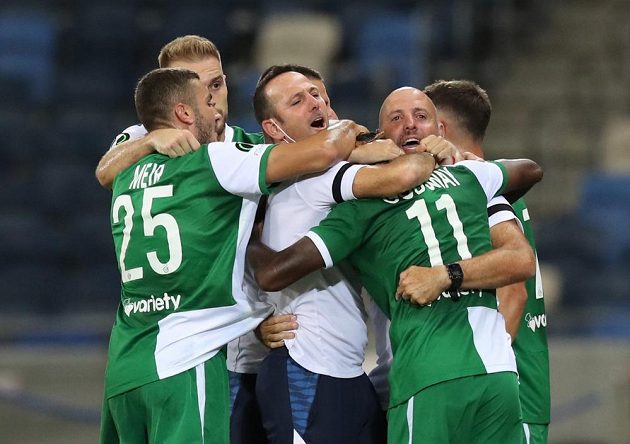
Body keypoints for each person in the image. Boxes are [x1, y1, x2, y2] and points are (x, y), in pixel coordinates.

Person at [247, 87, 544, 443]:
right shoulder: (472, 179)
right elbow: (530, 171)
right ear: (381, 136)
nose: (410, 126)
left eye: (420, 117)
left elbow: (274, 271)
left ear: (440, 130)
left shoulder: (360, 208)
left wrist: (245, 236)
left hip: (427, 376)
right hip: (498, 374)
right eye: (397, 119)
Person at [100, 67, 373, 444]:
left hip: (124, 368)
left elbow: (104, 170)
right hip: (184, 362)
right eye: (208, 101)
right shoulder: (215, 160)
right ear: (183, 113)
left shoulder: (125, 174)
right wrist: (345, 128)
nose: (219, 112)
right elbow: (325, 150)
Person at [248, 66, 460, 444]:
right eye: (298, 100)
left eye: (318, 94)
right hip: (305, 372)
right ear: (275, 131)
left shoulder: (322, 175)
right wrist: (433, 152)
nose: (316, 102)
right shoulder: (313, 179)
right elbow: (403, 175)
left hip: (346, 372)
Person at [424, 79, 551, 444]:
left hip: (505, 396)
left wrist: (483, 377)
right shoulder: (491, 185)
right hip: (514, 391)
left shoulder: (471, 191)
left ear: (441, 129)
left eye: (422, 118)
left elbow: (513, 295)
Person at [95, 35, 264, 190]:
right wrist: (150, 140)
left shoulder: (256, 146)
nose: (209, 98)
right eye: (192, 90)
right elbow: (105, 174)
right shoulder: (143, 135)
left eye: (216, 85)